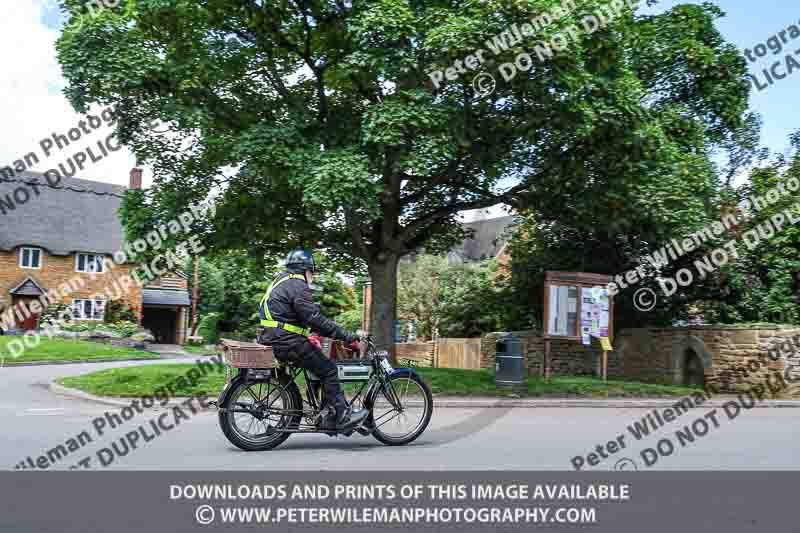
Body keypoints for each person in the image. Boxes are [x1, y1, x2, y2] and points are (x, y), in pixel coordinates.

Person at [256, 249, 368, 431]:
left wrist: (310, 334)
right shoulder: (298, 285)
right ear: (304, 269)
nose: (313, 275)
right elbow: (314, 317)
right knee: (330, 370)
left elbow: (295, 317)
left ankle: (325, 411)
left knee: (317, 363)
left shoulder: (282, 281)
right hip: (287, 341)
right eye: (312, 271)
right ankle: (341, 416)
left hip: (273, 337)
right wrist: (346, 336)